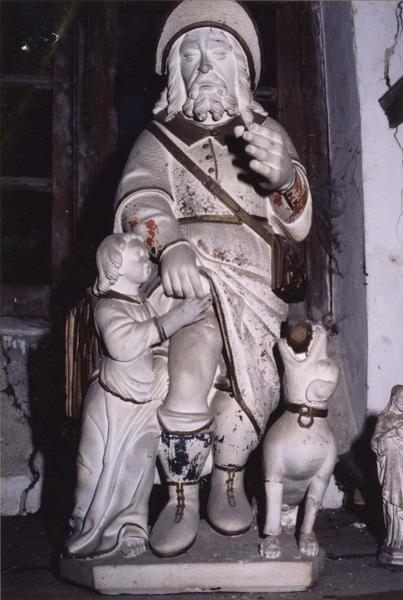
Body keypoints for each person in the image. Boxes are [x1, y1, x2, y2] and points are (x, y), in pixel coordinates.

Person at [114, 0, 312, 557]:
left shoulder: (265, 132)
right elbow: (140, 193)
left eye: (218, 50)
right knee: (190, 368)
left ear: (242, 70)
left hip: (256, 285)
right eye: (191, 53)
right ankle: (181, 494)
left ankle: (229, 479)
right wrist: (169, 243)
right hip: (191, 281)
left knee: (253, 386)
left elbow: (298, 221)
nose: (204, 64)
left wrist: (281, 179)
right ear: (175, 70)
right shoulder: (160, 137)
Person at [66, 233, 211, 558]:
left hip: (145, 401)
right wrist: (176, 319)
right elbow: (123, 345)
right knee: (94, 467)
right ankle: (86, 526)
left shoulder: (144, 303)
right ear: (115, 265)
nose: (148, 262)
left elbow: (157, 346)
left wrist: (161, 366)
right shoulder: (108, 306)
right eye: (139, 258)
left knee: (140, 463)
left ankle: (131, 526)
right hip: (112, 402)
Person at [371, 385, 403, 562]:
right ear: (393, 399)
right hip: (394, 471)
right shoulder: (385, 418)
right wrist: (392, 434)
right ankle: (396, 540)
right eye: (400, 398)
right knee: (396, 506)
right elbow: (375, 444)